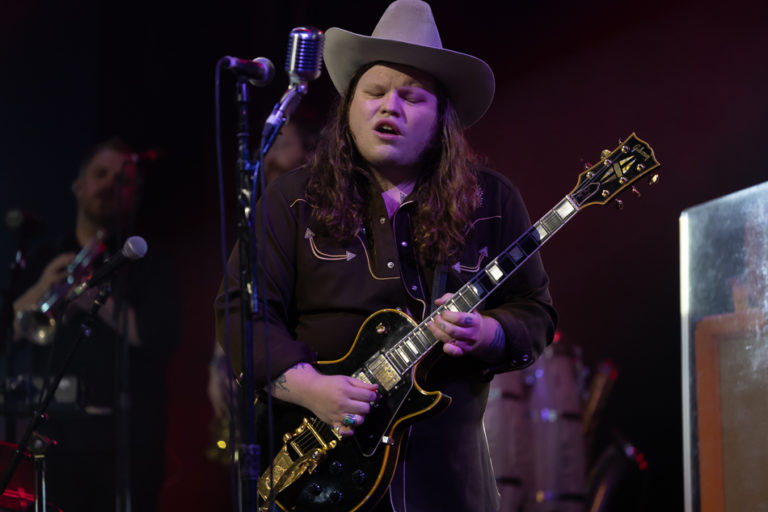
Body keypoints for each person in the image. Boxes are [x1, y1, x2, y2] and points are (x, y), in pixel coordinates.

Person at [214, 1, 557, 511]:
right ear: (349, 106)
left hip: (445, 481)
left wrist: (488, 332)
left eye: (412, 97)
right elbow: (242, 313)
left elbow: (536, 312)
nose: (389, 107)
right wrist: (311, 389)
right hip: (319, 471)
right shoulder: (294, 199)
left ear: (442, 119)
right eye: (374, 93)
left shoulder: (490, 201)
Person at [9, 137, 180, 511]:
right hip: (55, 442)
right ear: (78, 185)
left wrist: (94, 299)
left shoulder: (149, 262)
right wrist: (41, 289)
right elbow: (9, 332)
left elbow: (160, 337)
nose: (109, 186)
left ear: (135, 193)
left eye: (122, 180)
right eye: (101, 174)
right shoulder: (45, 257)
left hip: (128, 447)